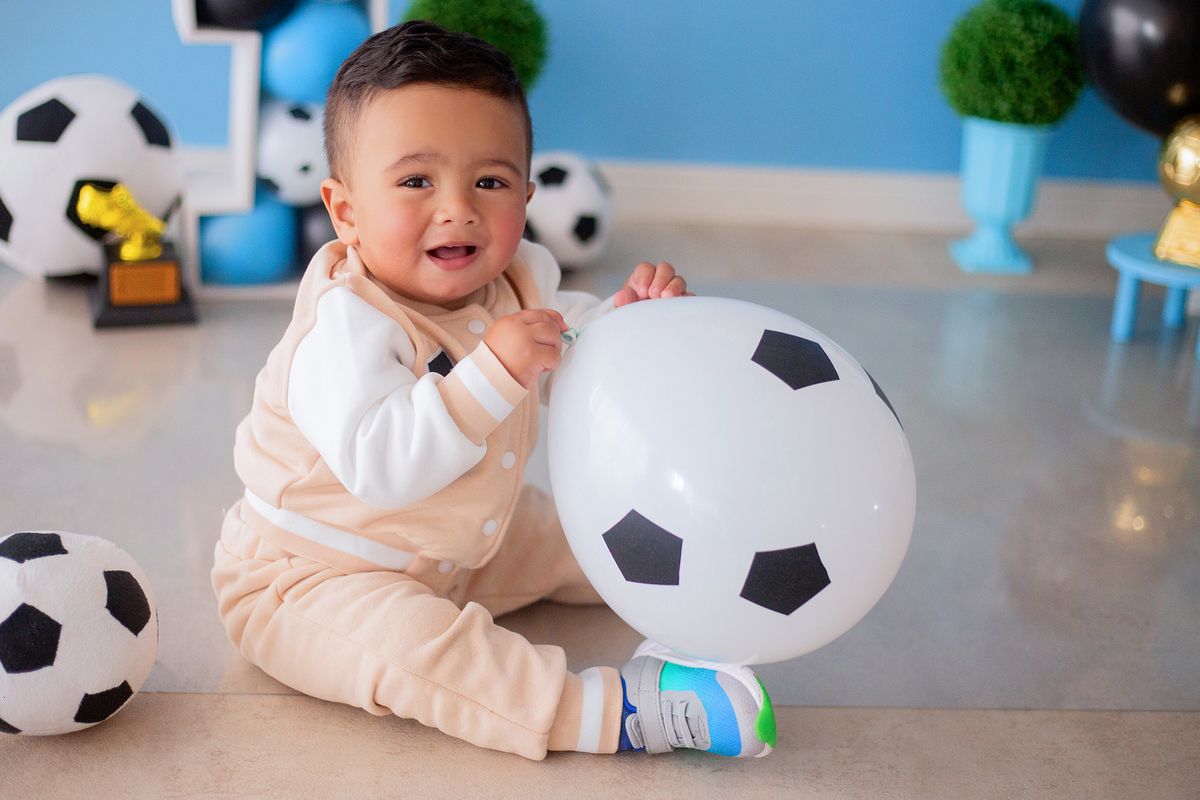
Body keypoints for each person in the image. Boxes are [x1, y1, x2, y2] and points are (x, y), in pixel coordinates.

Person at [211, 19, 774, 761]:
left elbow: (567, 338)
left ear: (527, 194)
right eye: (416, 181)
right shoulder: (345, 322)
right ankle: (619, 711)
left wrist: (624, 325)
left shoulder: (514, 279)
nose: (458, 208)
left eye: (490, 181)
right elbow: (381, 467)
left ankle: (695, 586)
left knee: (589, 533)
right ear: (345, 211)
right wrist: (494, 373)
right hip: (312, 576)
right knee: (420, 652)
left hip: (463, 544)